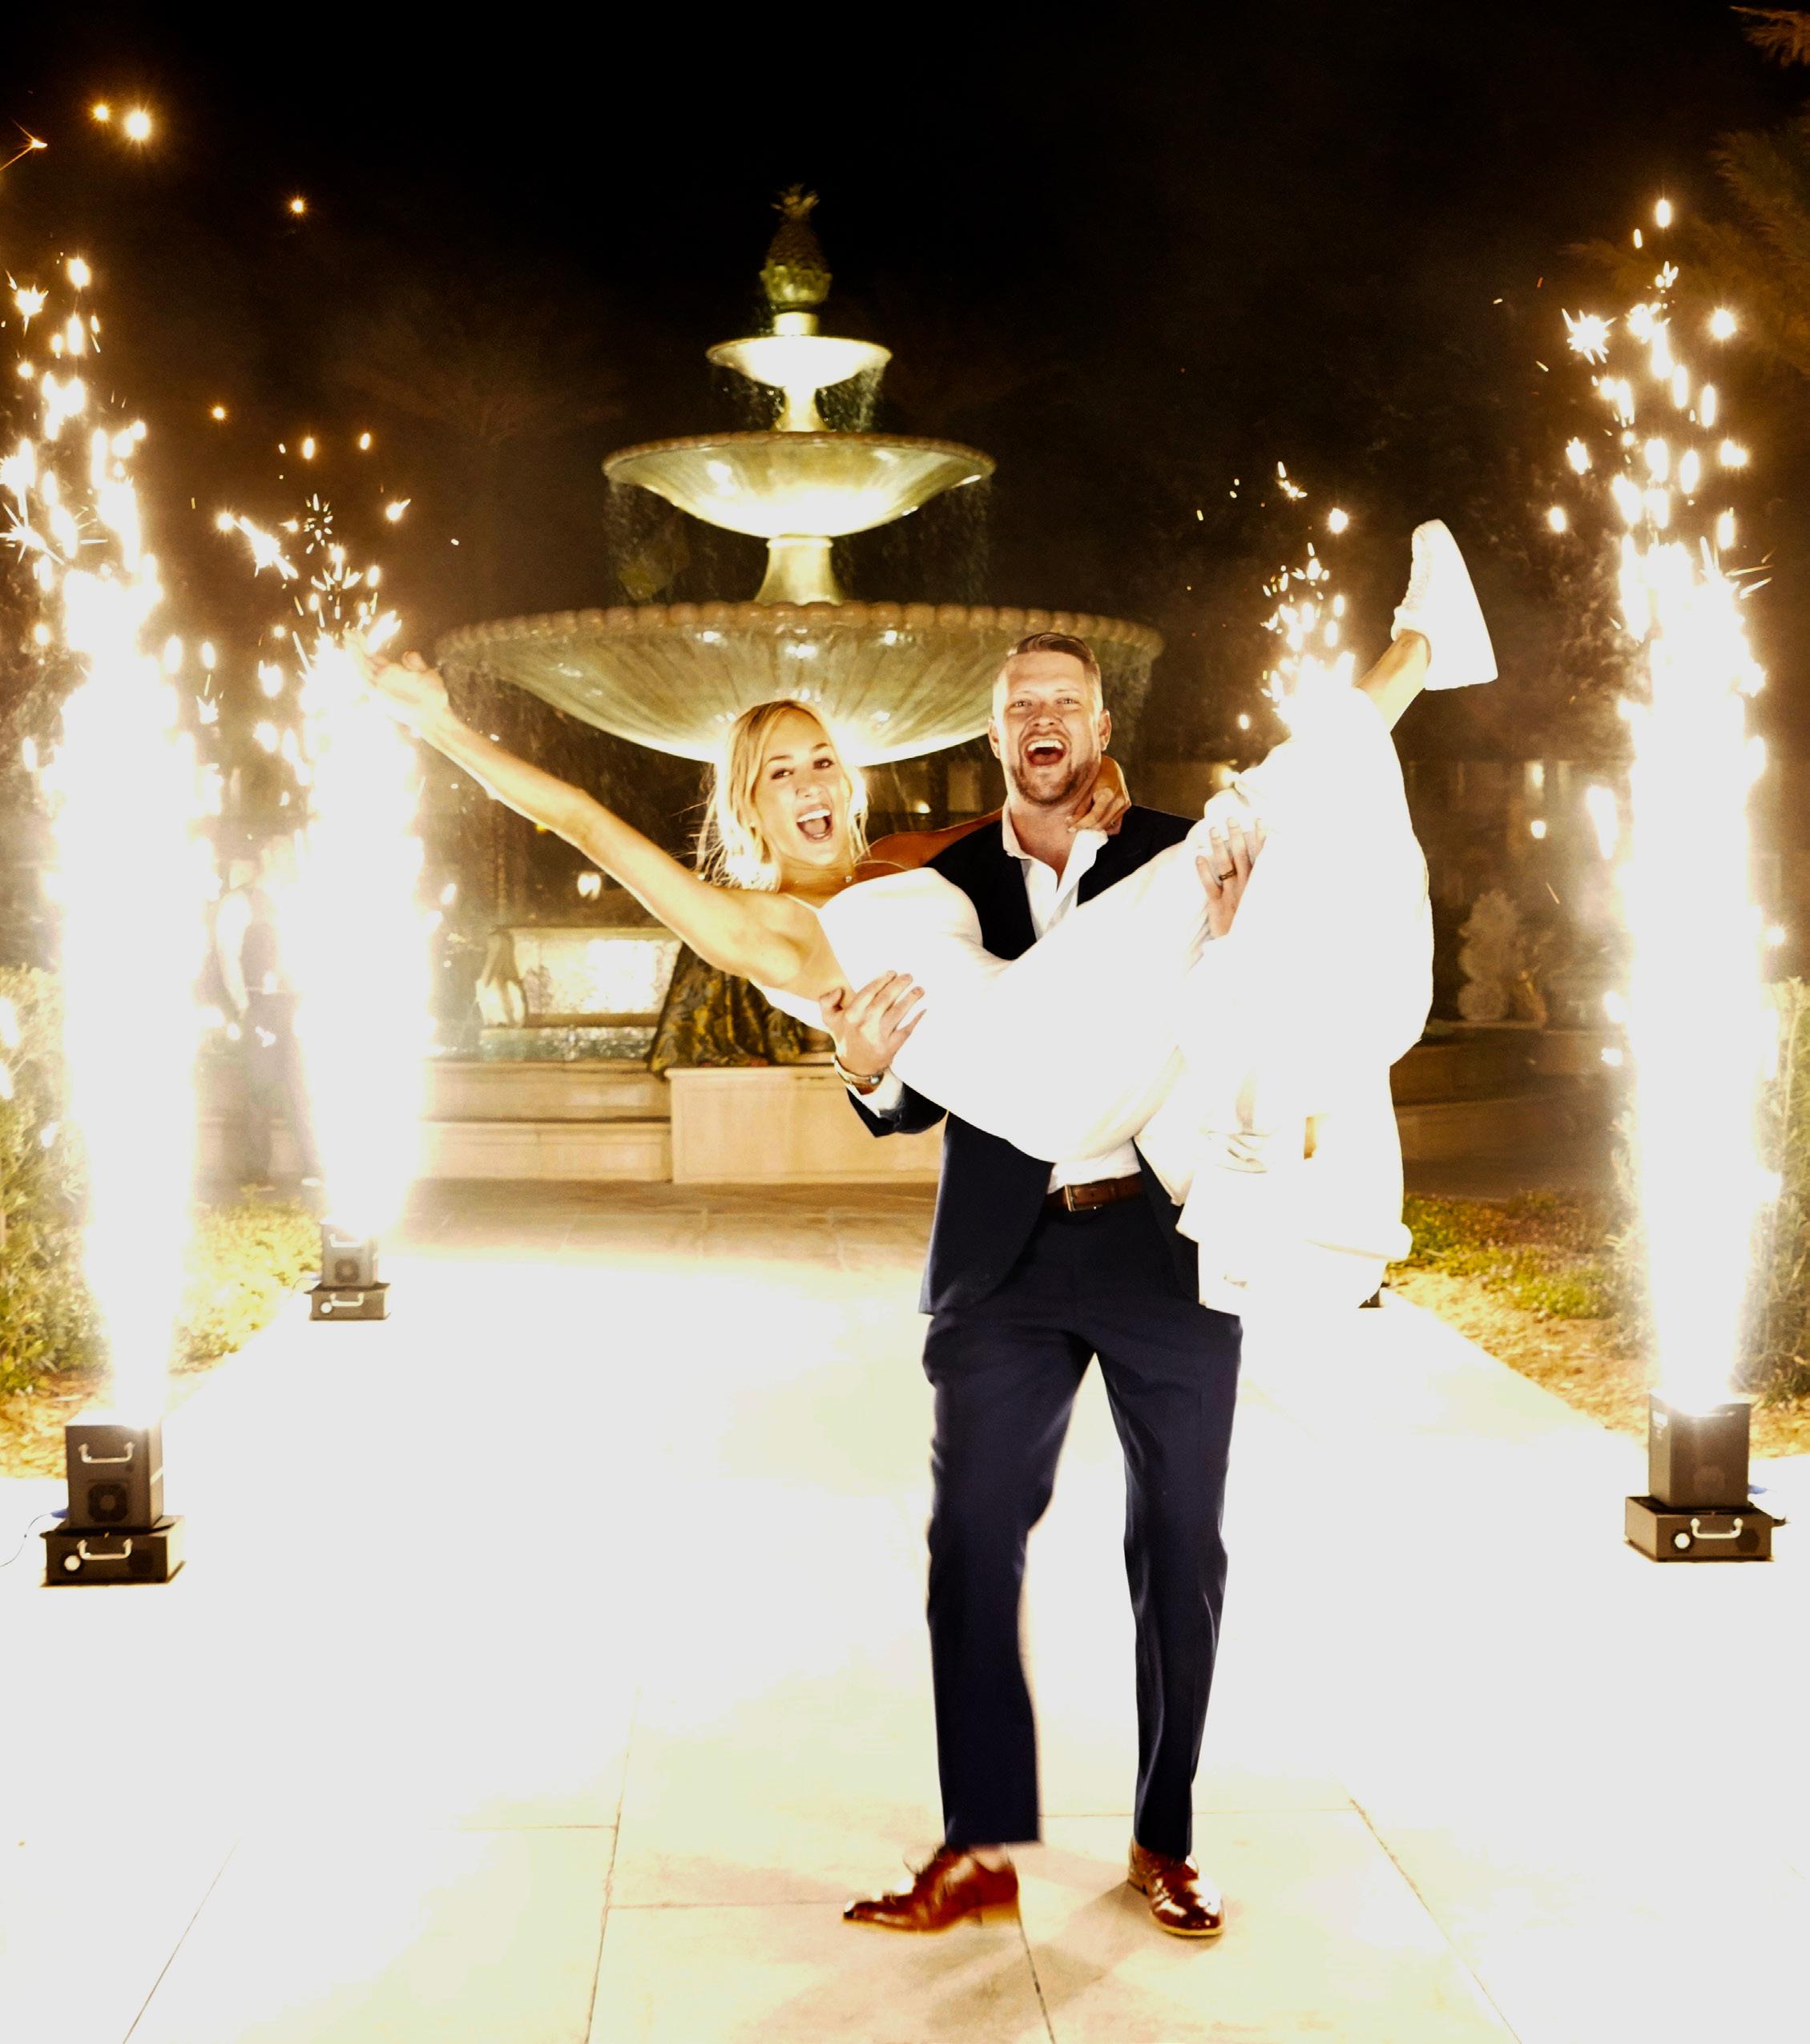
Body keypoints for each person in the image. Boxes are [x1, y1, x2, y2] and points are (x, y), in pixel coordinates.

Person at [350, 518, 1492, 1933]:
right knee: (971, 1547)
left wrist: (1179, 897)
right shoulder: (764, 929)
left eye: (820, 757)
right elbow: (583, 823)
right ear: (746, 812)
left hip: (1116, 1138)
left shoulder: (921, 858)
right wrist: (441, 726)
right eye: (778, 772)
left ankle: (1164, 1837)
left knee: (1242, 836)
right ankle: (979, 1848)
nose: (811, 782)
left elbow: (1059, 863)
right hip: (1029, 1127)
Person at [213, 837, 321, 1192]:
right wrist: (244, 1006)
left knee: (303, 1083)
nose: (291, 862)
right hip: (261, 1003)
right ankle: (257, 1170)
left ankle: (315, 1165)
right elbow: (228, 956)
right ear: (267, 857)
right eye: (284, 855)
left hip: (296, 1003)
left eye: (292, 855)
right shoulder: (240, 902)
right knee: (259, 1085)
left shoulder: (297, 898)